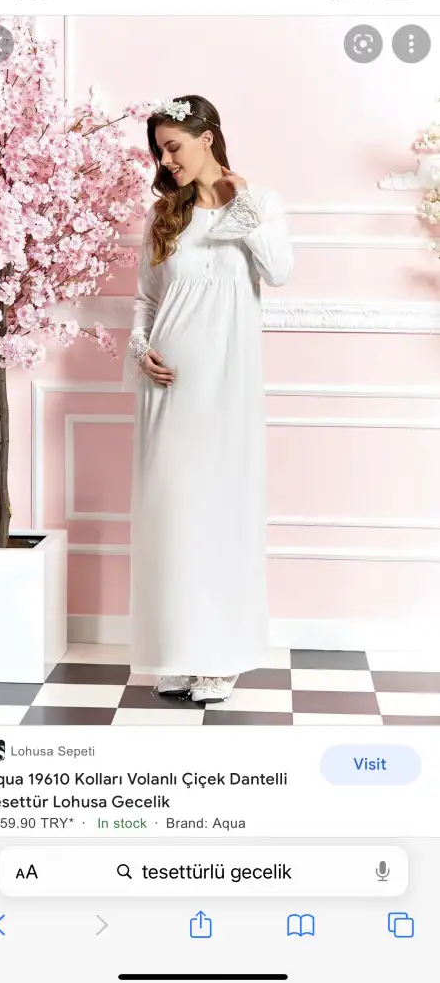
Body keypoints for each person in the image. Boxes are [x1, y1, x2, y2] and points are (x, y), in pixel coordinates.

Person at [122, 94, 293, 703]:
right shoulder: (163, 215)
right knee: (172, 515)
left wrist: (238, 202)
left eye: (173, 147)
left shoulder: (259, 202)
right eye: (159, 152)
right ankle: (178, 650)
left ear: (208, 138)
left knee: (222, 512)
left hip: (227, 388)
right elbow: (146, 298)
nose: (166, 161)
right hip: (168, 388)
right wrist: (140, 347)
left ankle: (219, 656)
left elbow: (278, 271)